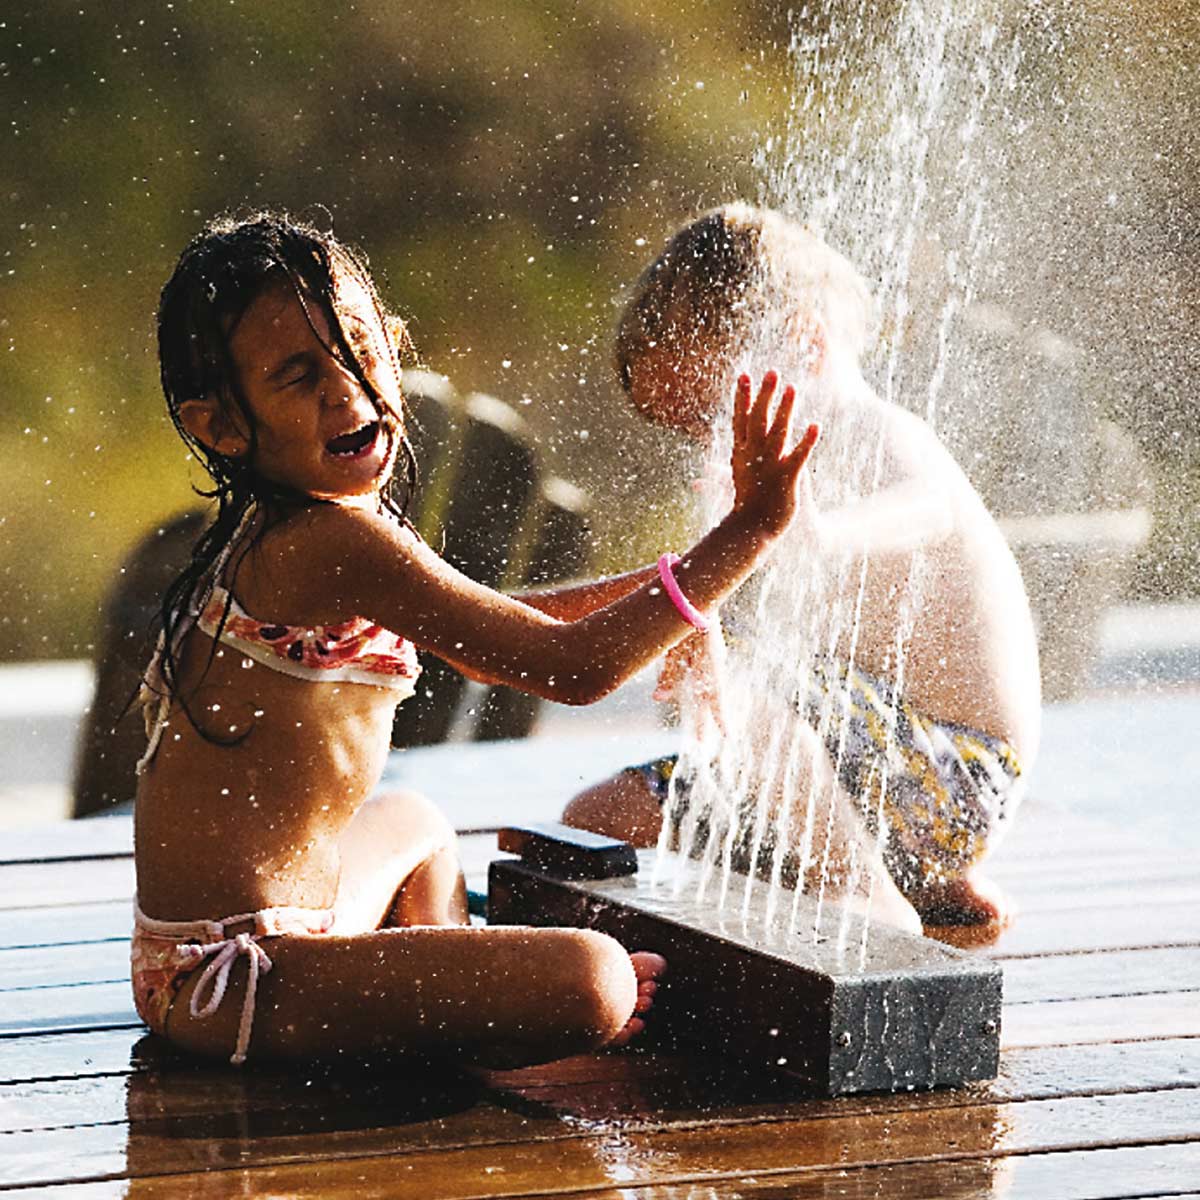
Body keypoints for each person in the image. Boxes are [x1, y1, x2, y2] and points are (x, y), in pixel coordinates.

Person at [131, 211, 819, 1067]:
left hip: (255, 938)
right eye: (301, 376)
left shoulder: (317, 526)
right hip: (234, 977)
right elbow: (574, 670)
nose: (349, 392)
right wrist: (751, 530)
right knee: (595, 981)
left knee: (415, 819)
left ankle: (442, 993)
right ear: (222, 428)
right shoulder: (331, 544)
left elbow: (500, 620)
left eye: (361, 350)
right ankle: (460, 1008)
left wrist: (679, 598)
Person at [562, 204, 1042, 939]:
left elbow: (923, 512)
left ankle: (870, 898)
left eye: (715, 417)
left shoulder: (886, 439)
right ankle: (900, 881)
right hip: (843, 791)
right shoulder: (753, 483)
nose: (710, 445)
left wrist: (812, 529)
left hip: (952, 776)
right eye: (688, 430)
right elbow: (670, 595)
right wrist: (472, 613)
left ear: (804, 344)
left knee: (756, 680)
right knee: (598, 818)